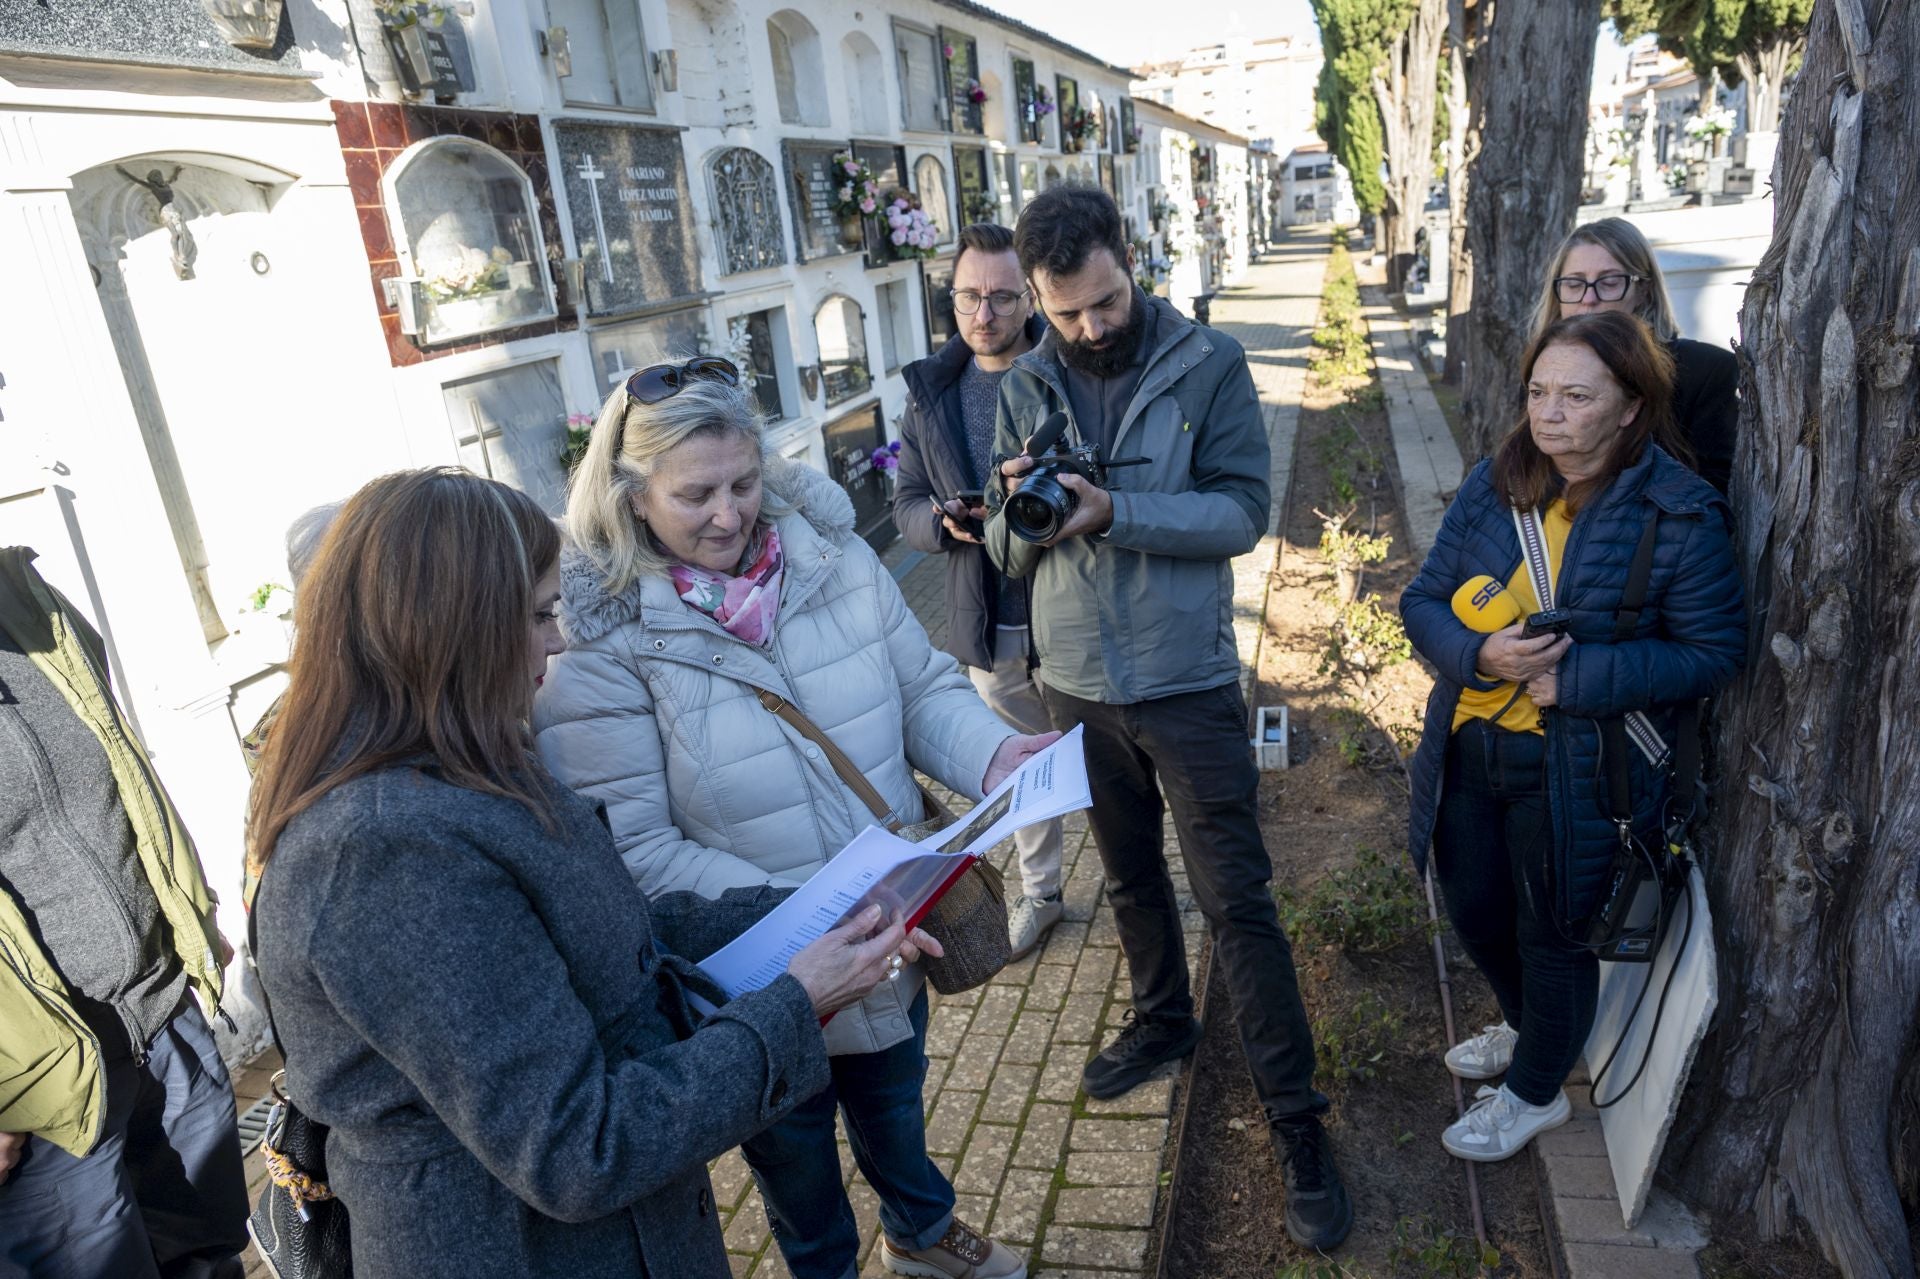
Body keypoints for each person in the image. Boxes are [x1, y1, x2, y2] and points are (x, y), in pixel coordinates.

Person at [248, 467, 928, 1278]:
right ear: (449, 631)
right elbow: (580, 1146)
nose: (559, 640)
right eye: (537, 616)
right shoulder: (382, 855)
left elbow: (599, 934)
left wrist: (821, 912)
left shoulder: (462, 763)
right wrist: (799, 1000)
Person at [535, 361, 1047, 1279]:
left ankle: (922, 1231)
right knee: (795, 1157)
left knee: (896, 1102)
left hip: (890, 930)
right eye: (695, 494)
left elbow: (921, 686)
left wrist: (990, 754)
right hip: (764, 967)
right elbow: (639, 853)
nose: (729, 514)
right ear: (631, 493)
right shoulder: (597, 641)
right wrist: (819, 912)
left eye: (744, 482)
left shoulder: (830, 552)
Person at [983, 186, 1351, 1251]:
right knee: (1130, 875)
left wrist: (1120, 510)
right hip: (1079, 682)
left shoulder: (1210, 363)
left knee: (1238, 901)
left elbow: (1243, 508)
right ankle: (1162, 1020)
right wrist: (1015, 506)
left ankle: (1298, 1121)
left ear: (1128, 261)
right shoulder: (1028, 379)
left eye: (1103, 303)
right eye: (1066, 315)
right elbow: (1007, 554)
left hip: (1187, 683)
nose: (1091, 330)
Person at [1400, 312, 1745, 1162]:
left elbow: (1714, 651)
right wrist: (1480, 650)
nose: (1548, 413)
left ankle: (1535, 1092)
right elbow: (1422, 601)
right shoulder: (1498, 481)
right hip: (1470, 743)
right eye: (1538, 391)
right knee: (1476, 908)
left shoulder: (1678, 509)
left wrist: (1576, 679)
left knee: (1555, 929)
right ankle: (1528, 1029)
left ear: (1630, 406)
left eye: (1576, 396)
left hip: (1584, 764)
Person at [0, 546, 248, 1278]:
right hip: (38, 1092)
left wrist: (185, 916)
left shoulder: (26, 596)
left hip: (162, 1013)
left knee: (208, 1255)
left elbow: (121, 771)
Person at [891, 221, 1066, 961]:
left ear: (1029, 297)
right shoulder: (929, 392)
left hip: (1075, 615)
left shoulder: (1068, 372)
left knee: (1118, 769)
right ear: (952, 297)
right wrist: (939, 522)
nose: (983, 313)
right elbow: (903, 504)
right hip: (987, 624)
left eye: (1000, 295)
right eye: (969, 296)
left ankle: (1137, 890)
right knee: (1017, 775)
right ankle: (1045, 892)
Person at [1532, 217, 1740, 494]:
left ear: (1643, 290)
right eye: (1574, 283)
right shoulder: (1540, 371)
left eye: (1609, 282)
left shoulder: (1705, 370)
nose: (1588, 298)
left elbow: (1714, 494)